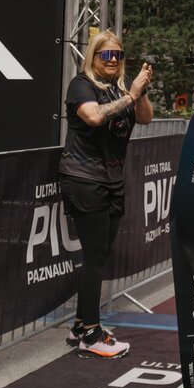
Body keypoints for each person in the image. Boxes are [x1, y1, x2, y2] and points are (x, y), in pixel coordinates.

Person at [58, 31, 153, 358]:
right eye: (107, 55)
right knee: (95, 257)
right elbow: (95, 116)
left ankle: (79, 327)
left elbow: (145, 117)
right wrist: (131, 95)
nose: (113, 61)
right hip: (84, 178)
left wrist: (140, 92)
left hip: (112, 179)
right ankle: (91, 334)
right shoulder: (81, 84)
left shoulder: (120, 88)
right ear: (94, 56)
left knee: (99, 255)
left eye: (118, 55)